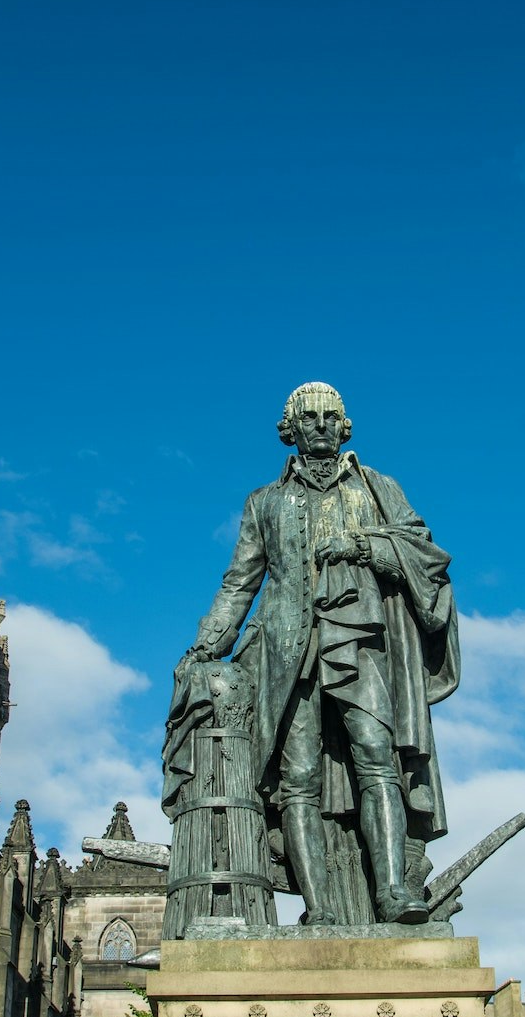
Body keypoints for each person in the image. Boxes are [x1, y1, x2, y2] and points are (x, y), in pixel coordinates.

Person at [185, 382, 459, 924]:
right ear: (290, 429)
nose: (319, 426)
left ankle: (392, 893)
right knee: (299, 777)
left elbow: (423, 552)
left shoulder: (377, 487)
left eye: (329, 416)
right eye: (307, 418)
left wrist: (362, 546)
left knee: (377, 757)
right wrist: (205, 646)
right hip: (286, 649)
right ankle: (320, 909)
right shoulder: (264, 501)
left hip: (360, 638)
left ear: (343, 425)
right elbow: (240, 583)